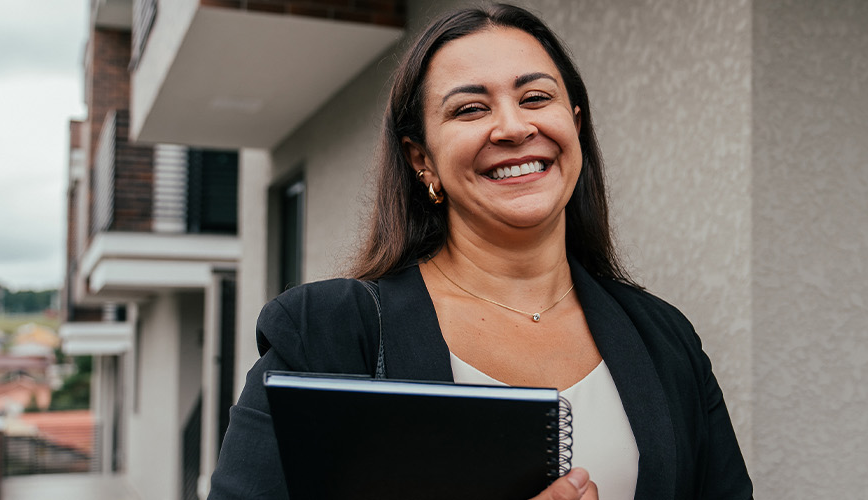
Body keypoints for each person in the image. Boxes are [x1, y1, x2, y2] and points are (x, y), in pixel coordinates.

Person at [208, 4, 751, 499]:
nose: (514, 127)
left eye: (536, 97)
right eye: (470, 109)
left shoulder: (665, 339)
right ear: (421, 159)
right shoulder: (327, 337)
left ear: (576, 126)